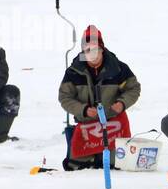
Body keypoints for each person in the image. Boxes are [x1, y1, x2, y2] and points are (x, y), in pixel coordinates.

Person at [58, 25, 141, 170]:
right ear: (83, 51)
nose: (92, 54)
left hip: (114, 125)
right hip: (86, 127)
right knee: (75, 167)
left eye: (95, 49)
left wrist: (122, 104)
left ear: (102, 49)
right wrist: (83, 110)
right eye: (88, 50)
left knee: (118, 165)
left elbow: (133, 88)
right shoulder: (73, 72)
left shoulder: (119, 68)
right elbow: (65, 97)